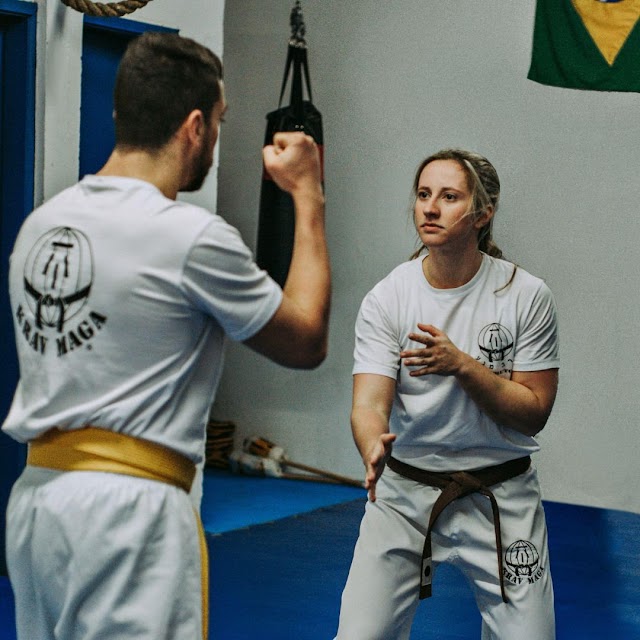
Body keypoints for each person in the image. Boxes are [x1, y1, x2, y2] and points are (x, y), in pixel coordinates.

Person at [2, 32, 329, 640]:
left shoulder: (41, 225)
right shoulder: (188, 236)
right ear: (195, 126)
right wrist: (308, 196)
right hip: (130, 515)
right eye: (221, 123)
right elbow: (305, 340)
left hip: (36, 503)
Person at [335, 149, 559, 640]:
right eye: (422, 195)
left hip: (499, 495)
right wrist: (371, 444)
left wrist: (462, 366)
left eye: (448, 196)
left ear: (483, 213)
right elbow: (369, 403)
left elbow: (534, 412)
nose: (429, 208)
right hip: (403, 496)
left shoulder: (524, 295)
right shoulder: (389, 297)